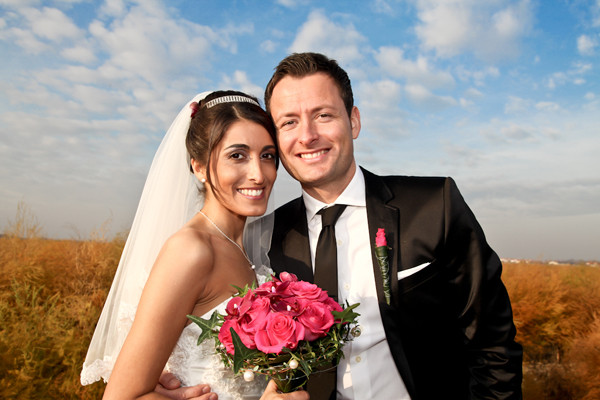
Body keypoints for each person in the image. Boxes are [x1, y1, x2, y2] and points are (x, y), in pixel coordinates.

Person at [159, 52, 523, 399]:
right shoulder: (263, 238)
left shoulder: (434, 204)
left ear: (354, 121)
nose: (307, 135)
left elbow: (493, 345)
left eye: (323, 115)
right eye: (289, 122)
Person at [80, 90, 309, 400]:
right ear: (199, 167)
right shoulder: (192, 250)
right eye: (237, 155)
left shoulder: (249, 247)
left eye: (267, 155)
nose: (258, 174)